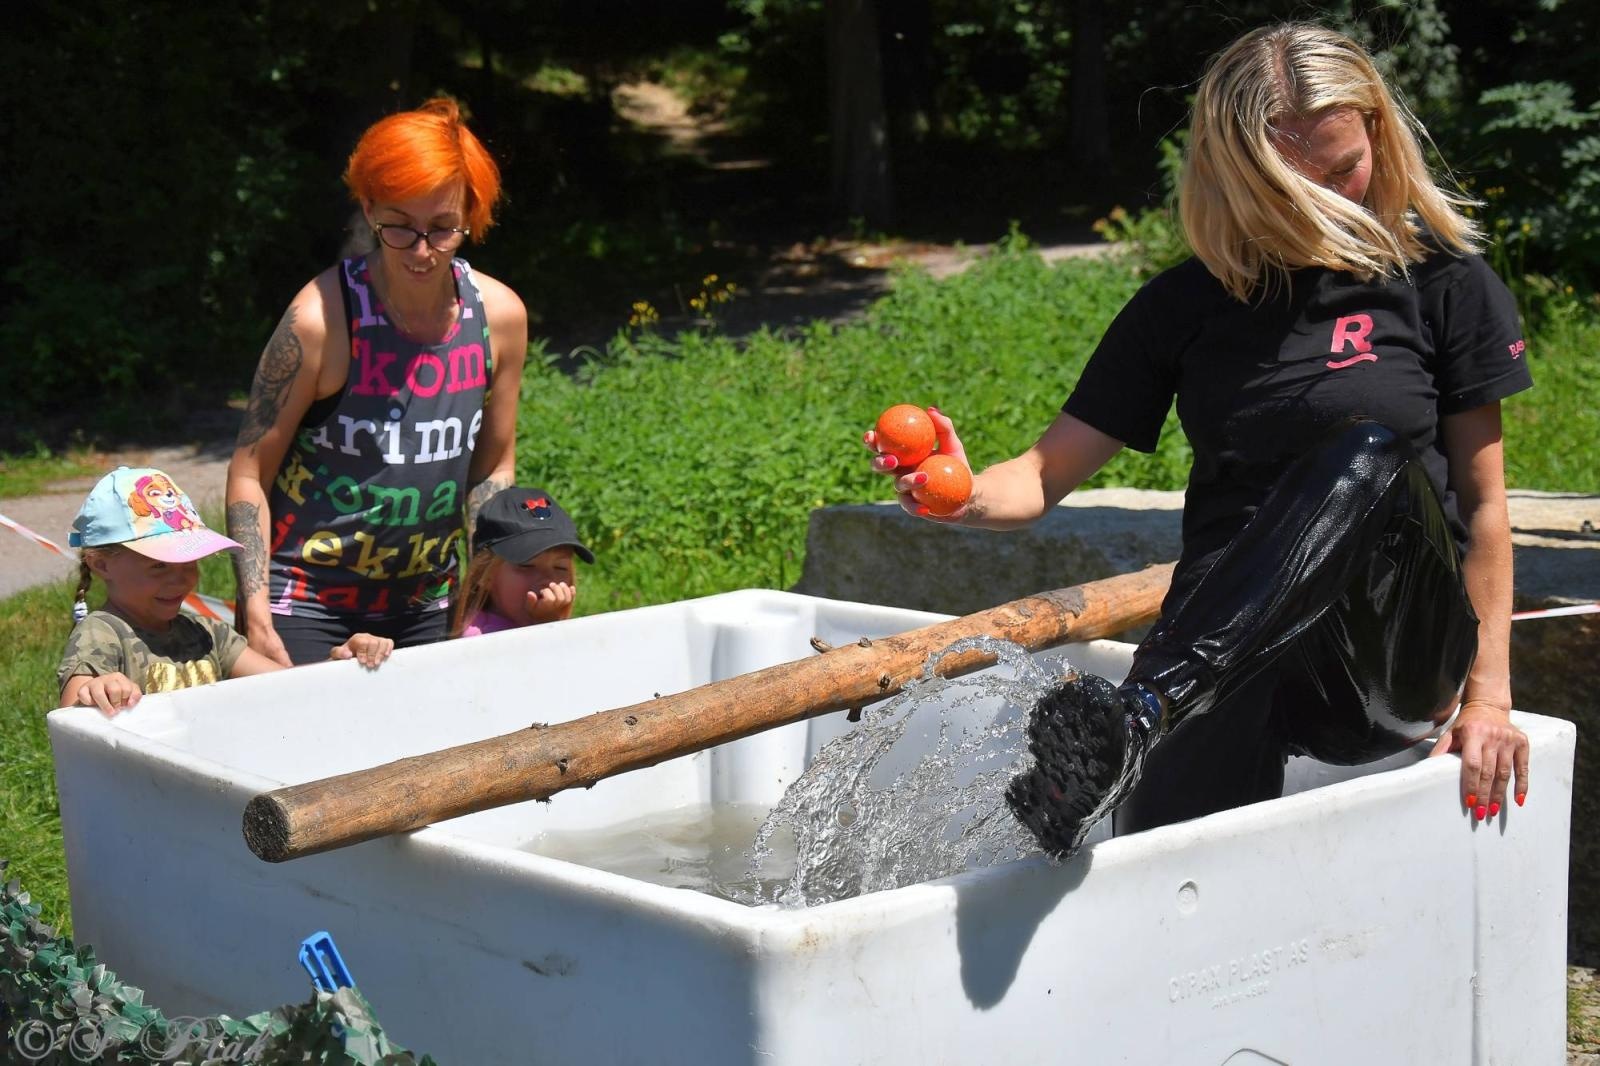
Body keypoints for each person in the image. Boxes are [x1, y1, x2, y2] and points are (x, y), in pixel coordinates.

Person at [866, 23, 1532, 858]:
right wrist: (961, 494)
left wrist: (1490, 700)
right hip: (1229, 661)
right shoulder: (1183, 305)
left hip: (1385, 660)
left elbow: (1485, 504)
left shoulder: (1442, 285)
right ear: (1234, 175)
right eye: (1293, 184)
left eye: (1342, 169)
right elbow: (1041, 474)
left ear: (1379, 135)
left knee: (1365, 454)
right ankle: (1135, 733)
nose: (1327, 201)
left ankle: (1144, 710)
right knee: (1152, 879)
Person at [225, 97, 528, 666]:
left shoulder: (501, 317)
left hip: (428, 600)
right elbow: (249, 471)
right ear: (368, 209)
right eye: (398, 228)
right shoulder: (320, 321)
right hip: (306, 599)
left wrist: (487, 581)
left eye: (442, 230)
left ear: (471, 213)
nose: (421, 251)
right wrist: (257, 610)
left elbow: (493, 467)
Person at [60, 467, 393, 716]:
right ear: (102, 565)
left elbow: (286, 686)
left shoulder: (206, 633)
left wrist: (341, 662)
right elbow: (72, 721)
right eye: (159, 566)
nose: (180, 580)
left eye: (189, 563)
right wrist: (93, 692)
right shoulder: (102, 633)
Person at [453, 487, 593, 638]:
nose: (547, 579)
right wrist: (546, 626)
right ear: (484, 575)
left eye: (560, 567)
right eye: (527, 566)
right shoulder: (482, 637)